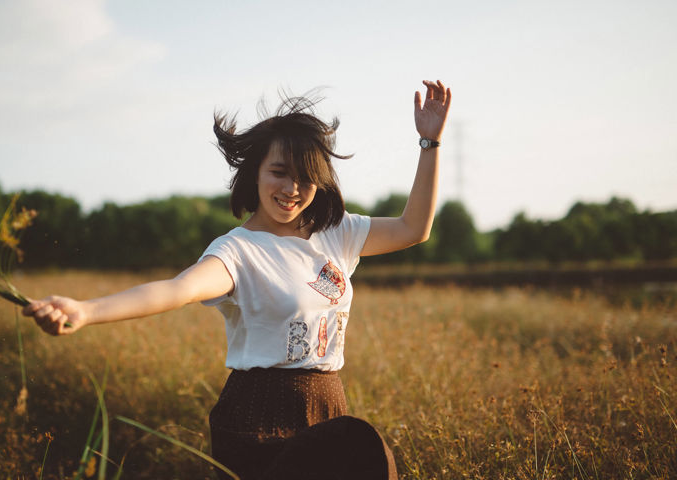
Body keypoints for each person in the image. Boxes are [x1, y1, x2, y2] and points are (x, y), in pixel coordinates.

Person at [24, 80, 451, 479]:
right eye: (279, 172)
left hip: (327, 405)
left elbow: (414, 228)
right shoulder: (238, 251)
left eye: (305, 177)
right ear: (255, 173)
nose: (292, 188)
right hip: (257, 417)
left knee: (366, 452)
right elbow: (177, 289)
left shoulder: (336, 232)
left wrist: (429, 144)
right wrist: (86, 310)